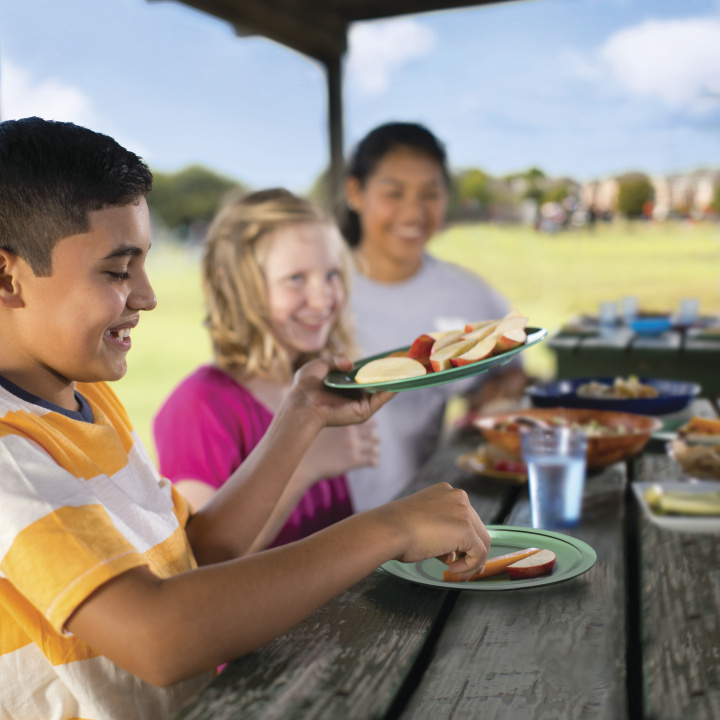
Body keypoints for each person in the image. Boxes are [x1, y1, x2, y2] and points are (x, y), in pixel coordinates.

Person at [0, 117, 491, 720]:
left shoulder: (87, 401)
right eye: (117, 270)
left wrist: (300, 417)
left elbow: (197, 552)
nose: (148, 295)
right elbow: (159, 636)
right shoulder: (9, 453)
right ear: (7, 276)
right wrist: (390, 530)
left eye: (144, 264)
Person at [153, 188, 378, 549]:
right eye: (296, 278)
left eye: (332, 274)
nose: (322, 298)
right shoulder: (198, 406)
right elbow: (199, 562)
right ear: (236, 285)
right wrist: (306, 465)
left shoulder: (316, 383)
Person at [339, 122, 527, 511]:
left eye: (430, 194)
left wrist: (499, 391)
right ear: (355, 192)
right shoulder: (314, 294)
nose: (414, 212)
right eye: (394, 193)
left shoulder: (467, 293)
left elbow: (511, 376)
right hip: (309, 530)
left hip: (417, 519)